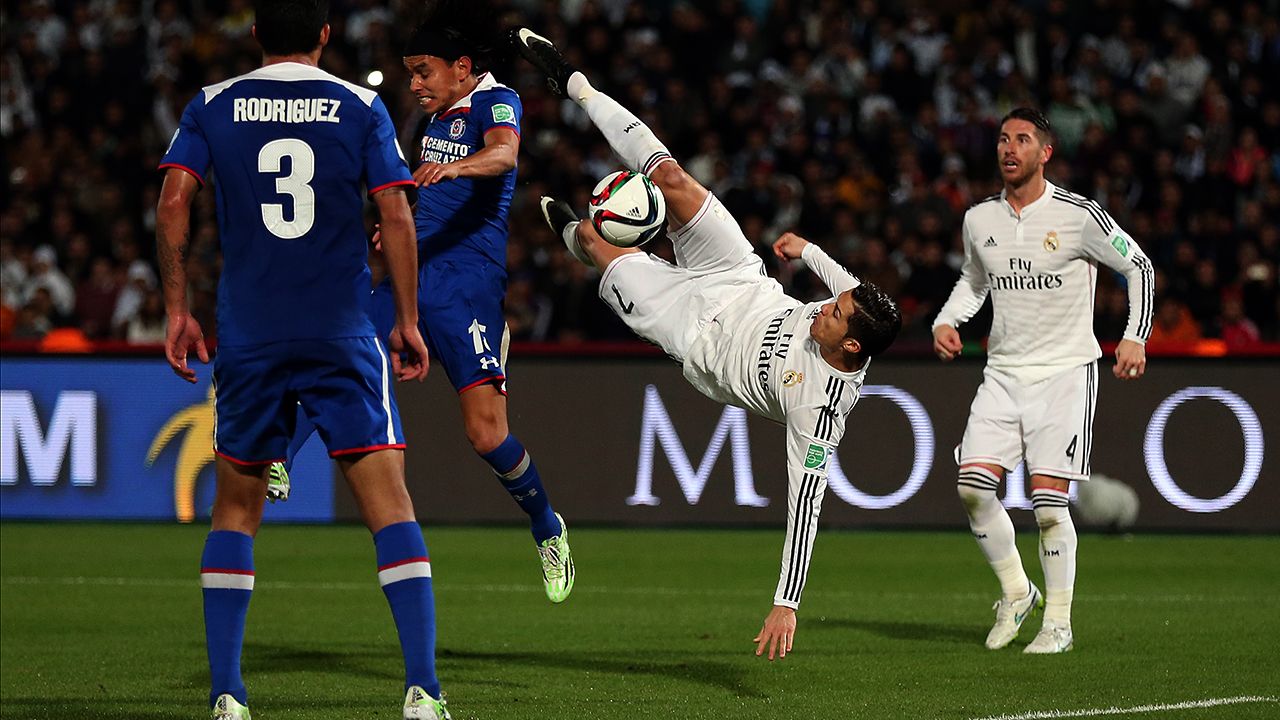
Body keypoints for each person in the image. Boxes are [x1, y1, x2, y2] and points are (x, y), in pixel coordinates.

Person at [512, 28, 902, 661]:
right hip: (739, 278)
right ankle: (574, 84)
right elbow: (847, 284)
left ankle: (572, 237)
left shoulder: (822, 406)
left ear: (851, 350)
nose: (830, 306)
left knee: (598, 242)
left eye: (838, 316)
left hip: (690, 332)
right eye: (838, 302)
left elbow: (805, 505)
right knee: (674, 180)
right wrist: (809, 252)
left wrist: (786, 602)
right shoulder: (856, 313)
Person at [156, 1, 450, 718]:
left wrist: (176, 308)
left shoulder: (210, 105)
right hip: (341, 331)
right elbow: (397, 213)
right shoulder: (361, 105)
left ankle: (227, 696)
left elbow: (172, 201)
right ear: (324, 34)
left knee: (235, 512)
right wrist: (407, 318)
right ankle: (422, 691)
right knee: (389, 508)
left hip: (251, 333)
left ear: (256, 35)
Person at [278, 1, 575, 604]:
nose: (414, 84)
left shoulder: (495, 101)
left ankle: (547, 525)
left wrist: (454, 170)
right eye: (410, 72)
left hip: (468, 288)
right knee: (337, 351)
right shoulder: (432, 122)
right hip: (410, 281)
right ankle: (278, 457)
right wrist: (399, 226)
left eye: (424, 71)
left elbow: (505, 155)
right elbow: (426, 202)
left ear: (462, 67)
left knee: (487, 436)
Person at [932, 107, 1154, 654]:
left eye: (1023, 140)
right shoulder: (979, 219)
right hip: (1003, 373)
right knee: (972, 487)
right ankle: (1017, 591)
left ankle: (1058, 624)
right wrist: (946, 318)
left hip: (1064, 374)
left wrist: (1135, 334)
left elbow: (1139, 266)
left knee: (1049, 505)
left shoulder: (1080, 216)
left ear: (1045, 153)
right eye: (1004, 140)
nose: (1010, 148)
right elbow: (973, 279)